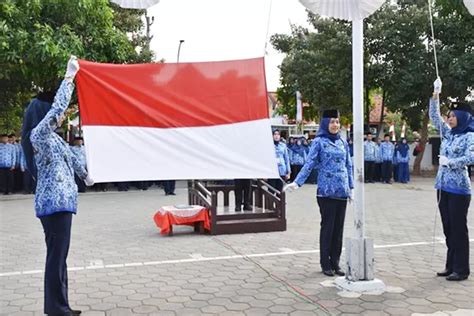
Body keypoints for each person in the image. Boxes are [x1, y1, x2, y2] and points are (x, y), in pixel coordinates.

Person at [21, 56, 93, 315]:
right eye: (55, 112)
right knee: (56, 258)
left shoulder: (56, 140)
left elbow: (73, 160)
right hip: (53, 206)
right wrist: (68, 78)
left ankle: (60, 306)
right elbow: (56, 110)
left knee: (59, 258)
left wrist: (86, 176)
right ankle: (56, 309)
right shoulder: (38, 136)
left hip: (63, 204)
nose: (61, 115)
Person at [284, 109, 353, 277]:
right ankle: (325, 263)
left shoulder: (343, 143)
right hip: (326, 192)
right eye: (332, 122)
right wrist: (297, 182)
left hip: (342, 191)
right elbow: (309, 163)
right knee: (328, 227)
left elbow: (348, 165)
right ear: (325, 124)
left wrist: (351, 188)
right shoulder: (319, 142)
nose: (335, 125)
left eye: (337, 122)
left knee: (339, 229)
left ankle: (336, 262)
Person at [430, 78, 473, 281]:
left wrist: (451, 162)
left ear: (463, 116)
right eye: (449, 115)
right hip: (442, 187)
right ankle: (450, 265)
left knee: (458, 229)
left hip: (459, 189)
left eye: (454, 116)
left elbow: (472, 157)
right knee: (448, 228)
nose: (449, 119)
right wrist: (435, 94)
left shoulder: (470, 136)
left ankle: (462, 269)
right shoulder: (449, 134)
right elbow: (434, 117)